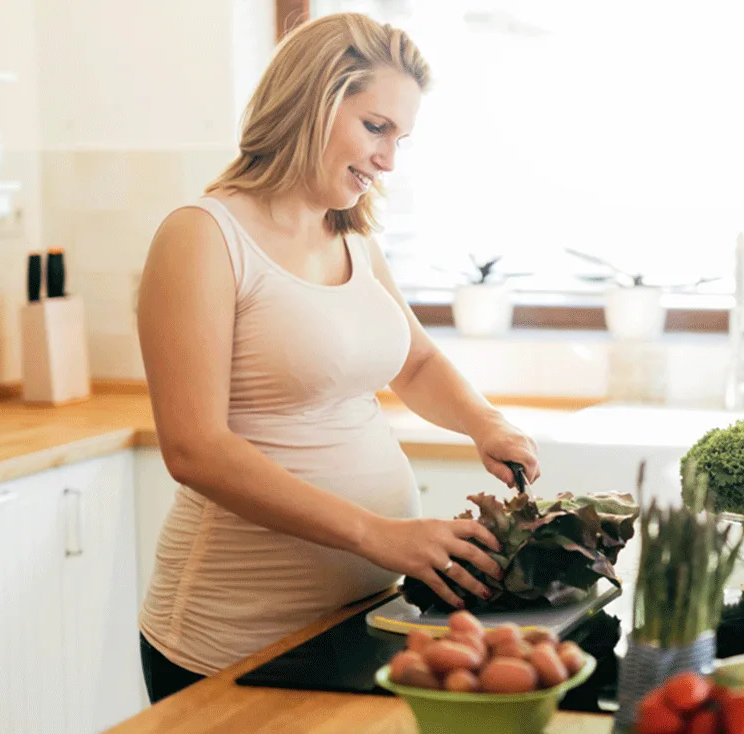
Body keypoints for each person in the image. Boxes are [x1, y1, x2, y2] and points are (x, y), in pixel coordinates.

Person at [133, 12, 541, 704]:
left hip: (360, 618)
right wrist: (378, 535)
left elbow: (413, 364)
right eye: (375, 127)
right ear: (309, 102)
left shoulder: (350, 238)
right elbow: (194, 448)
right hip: (232, 639)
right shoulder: (203, 237)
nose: (388, 160)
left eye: (400, 139)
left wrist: (484, 422)